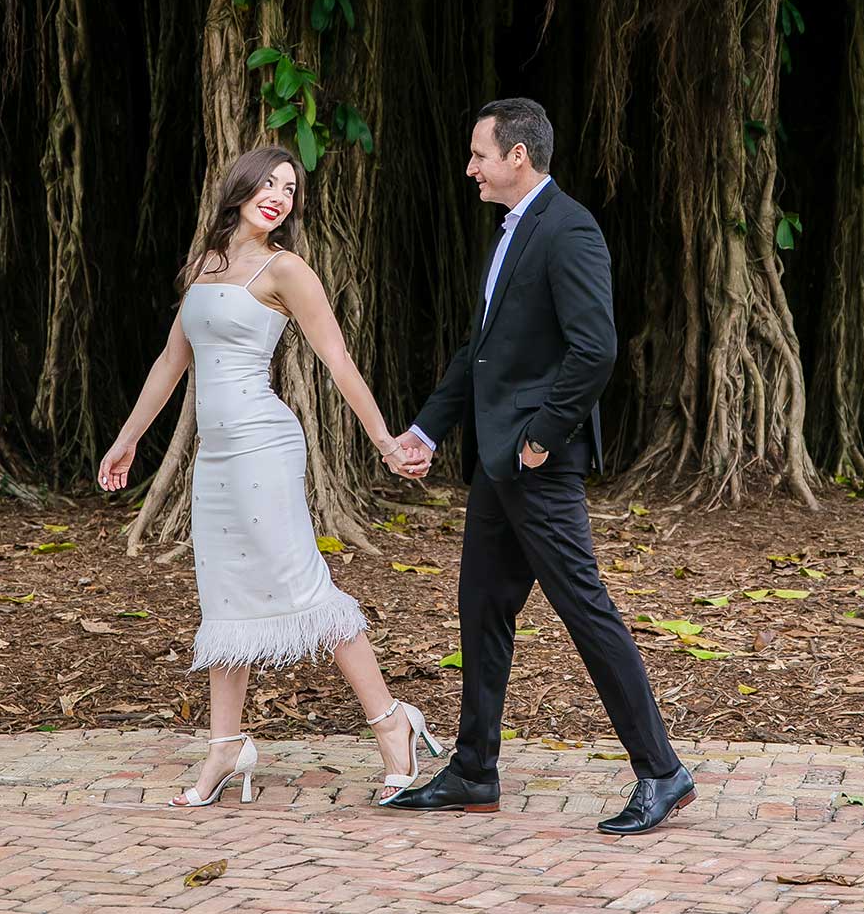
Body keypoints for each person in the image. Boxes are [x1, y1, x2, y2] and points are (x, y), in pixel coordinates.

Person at [98, 146, 442, 808]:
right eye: (271, 181)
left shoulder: (287, 269)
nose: (281, 194)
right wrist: (128, 437)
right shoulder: (206, 264)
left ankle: (390, 719)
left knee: (302, 583)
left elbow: (336, 357)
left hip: (264, 443)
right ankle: (227, 746)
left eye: (291, 187)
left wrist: (383, 440)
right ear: (242, 186)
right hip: (217, 457)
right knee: (223, 597)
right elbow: (173, 361)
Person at [388, 99, 694, 833]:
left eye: (479, 155)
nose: (471, 168)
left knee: (586, 609)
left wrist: (541, 438)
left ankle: (662, 770)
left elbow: (596, 348)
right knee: (482, 605)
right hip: (498, 463)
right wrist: (429, 429)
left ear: (517, 156)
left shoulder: (570, 228)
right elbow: (482, 351)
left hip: (536, 463)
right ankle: (472, 769)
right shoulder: (510, 233)